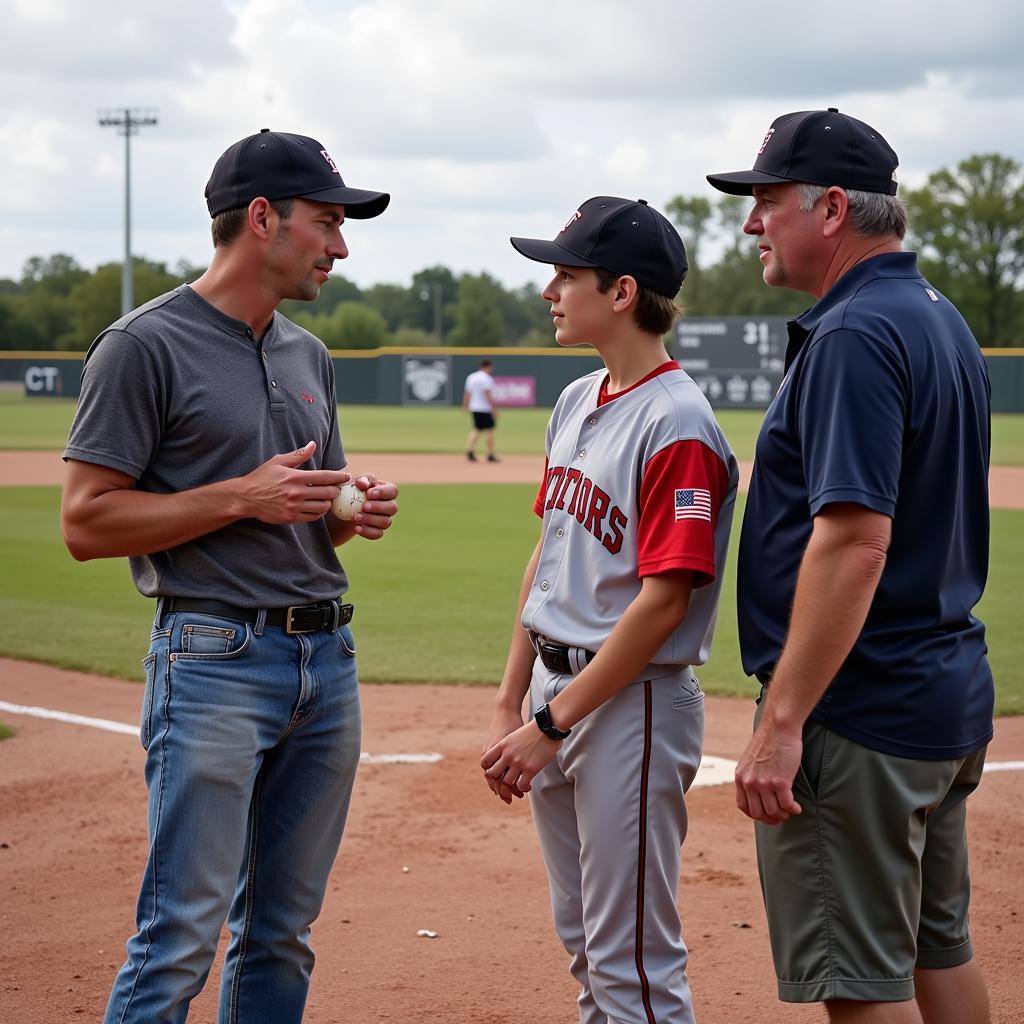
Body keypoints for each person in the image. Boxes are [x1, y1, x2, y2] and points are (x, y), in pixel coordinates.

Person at [61, 129, 398, 1024]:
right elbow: (85, 522)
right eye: (327, 222)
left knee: (283, 931)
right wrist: (241, 497)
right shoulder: (143, 345)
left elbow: (305, 506)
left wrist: (347, 510)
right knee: (179, 936)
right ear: (262, 219)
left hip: (324, 662)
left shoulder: (307, 355)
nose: (341, 245)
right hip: (212, 659)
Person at [707, 109, 993, 1023]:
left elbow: (855, 541)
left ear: (831, 208)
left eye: (765, 203)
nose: (752, 223)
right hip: (941, 689)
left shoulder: (852, 334)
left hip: (861, 710)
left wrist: (783, 721)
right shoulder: (938, 317)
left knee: (863, 987)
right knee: (936, 953)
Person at [481, 196, 738, 1023]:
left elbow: (664, 605)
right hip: (556, 694)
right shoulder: (577, 398)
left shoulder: (678, 425)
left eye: (566, 274)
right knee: (589, 947)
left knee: (632, 959)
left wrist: (550, 724)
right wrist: (511, 699)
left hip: (630, 706)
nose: (550, 290)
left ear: (622, 292)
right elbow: (549, 557)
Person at [463, 358, 499, 461]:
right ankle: (490, 454)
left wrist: (465, 406)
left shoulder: (471, 377)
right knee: (489, 431)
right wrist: (494, 408)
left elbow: (467, 393)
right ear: (487, 367)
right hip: (485, 408)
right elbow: (487, 395)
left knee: (476, 429)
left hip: (474, 407)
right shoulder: (487, 378)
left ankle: (470, 450)